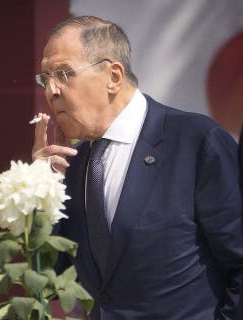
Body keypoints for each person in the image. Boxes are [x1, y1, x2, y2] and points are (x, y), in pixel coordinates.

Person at [31, 16, 243, 320]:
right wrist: (40, 191)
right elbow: (54, 278)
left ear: (114, 76)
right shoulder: (71, 166)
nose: (51, 91)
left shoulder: (196, 142)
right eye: (45, 78)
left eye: (64, 74)